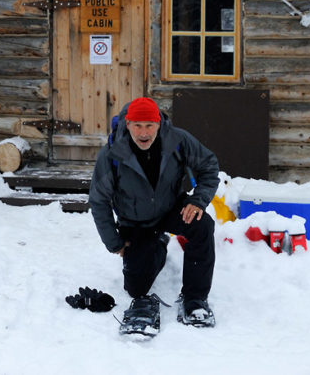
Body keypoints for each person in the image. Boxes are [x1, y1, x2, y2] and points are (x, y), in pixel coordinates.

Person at [88, 96, 220, 333]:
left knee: (202, 224)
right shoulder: (111, 154)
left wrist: (198, 200)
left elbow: (208, 165)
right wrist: (114, 242)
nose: (143, 132)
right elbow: (99, 200)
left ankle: (195, 298)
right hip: (135, 221)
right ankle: (157, 244)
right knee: (137, 289)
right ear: (127, 125)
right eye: (137, 125)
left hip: (171, 208)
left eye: (149, 125)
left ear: (159, 124)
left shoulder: (178, 141)